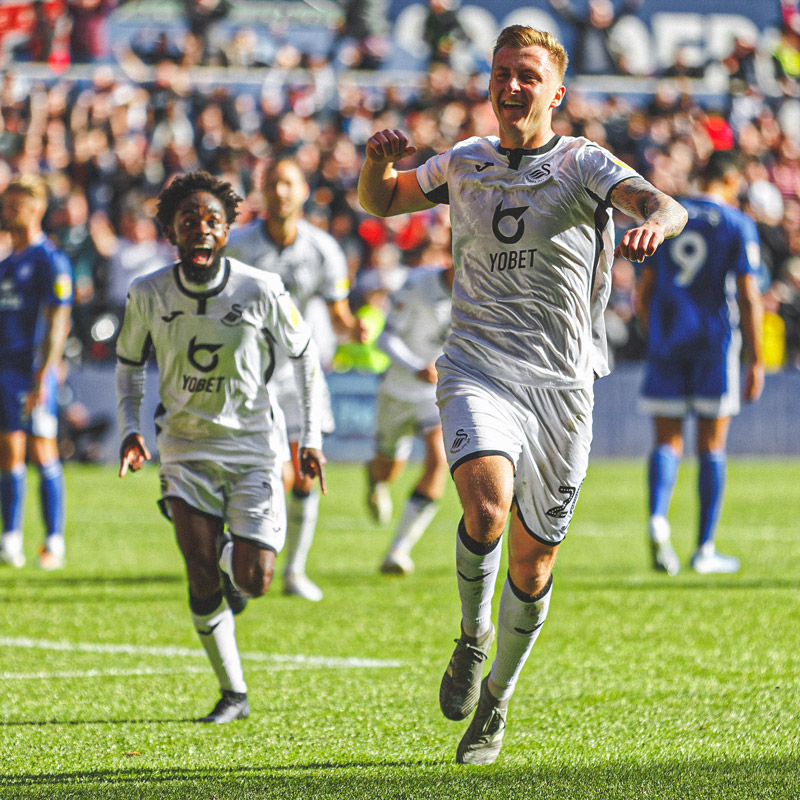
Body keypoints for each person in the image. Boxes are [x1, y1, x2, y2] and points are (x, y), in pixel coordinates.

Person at [358, 25, 687, 765]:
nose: (510, 86)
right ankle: (472, 638)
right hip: (477, 366)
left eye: (526, 76)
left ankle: (496, 703)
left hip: (564, 385)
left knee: (534, 566)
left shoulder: (582, 162)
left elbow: (662, 204)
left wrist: (656, 226)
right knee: (485, 507)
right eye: (501, 72)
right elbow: (382, 203)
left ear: (555, 92)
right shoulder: (466, 160)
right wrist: (376, 164)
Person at [116, 171, 326, 723]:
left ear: (228, 230)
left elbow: (305, 358)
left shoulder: (261, 288)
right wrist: (129, 429)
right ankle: (233, 693)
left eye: (213, 221)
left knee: (254, 579)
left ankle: (238, 565)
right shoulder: (148, 292)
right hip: (184, 450)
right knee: (200, 566)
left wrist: (312, 436)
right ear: (170, 230)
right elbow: (130, 363)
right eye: (190, 220)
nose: (202, 229)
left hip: (256, 446)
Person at [226, 157, 365, 602]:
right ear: (261, 191)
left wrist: (354, 329)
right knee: (274, 473)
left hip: (303, 373)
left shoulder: (323, 249)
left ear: (304, 190)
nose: (280, 191)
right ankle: (246, 560)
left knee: (305, 475)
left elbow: (338, 313)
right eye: (271, 183)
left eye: (287, 183)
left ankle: (294, 572)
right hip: (252, 376)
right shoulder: (240, 247)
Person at [638, 150, 764, 577]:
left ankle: (658, 519)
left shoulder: (668, 214)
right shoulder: (736, 223)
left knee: (666, 442)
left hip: (668, 342)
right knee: (711, 445)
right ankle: (705, 548)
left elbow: (645, 289)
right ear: (730, 181)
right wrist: (756, 360)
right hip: (714, 343)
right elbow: (748, 295)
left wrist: (650, 333)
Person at [0, 175, 73, 570]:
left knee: (41, 447)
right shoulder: (7, 263)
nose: (6, 212)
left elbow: (58, 320)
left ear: (35, 208)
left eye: (14, 205)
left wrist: (44, 372)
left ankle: (53, 541)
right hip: (4, 368)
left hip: (31, 370)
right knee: (7, 450)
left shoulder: (49, 260)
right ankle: (10, 539)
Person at [367, 263, 454, 575]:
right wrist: (416, 365)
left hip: (436, 393)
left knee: (438, 459)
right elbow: (384, 338)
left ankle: (399, 550)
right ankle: (375, 481)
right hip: (398, 388)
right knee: (387, 468)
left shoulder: (484, 291)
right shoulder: (417, 284)